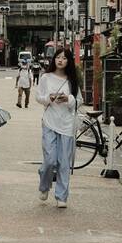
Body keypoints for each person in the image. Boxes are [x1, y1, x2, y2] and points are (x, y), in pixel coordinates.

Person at [36, 47, 83, 210]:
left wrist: (68, 98)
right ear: (54, 59)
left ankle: (61, 196)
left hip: (67, 124)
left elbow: (79, 101)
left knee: (64, 162)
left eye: (64, 58)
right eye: (58, 57)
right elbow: (38, 97)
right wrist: (48, 98)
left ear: (69, 61)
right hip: (49, 122)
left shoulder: (72, 80)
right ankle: (44, 186)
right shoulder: (46, 78)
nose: (60, 60)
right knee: (50, 160)